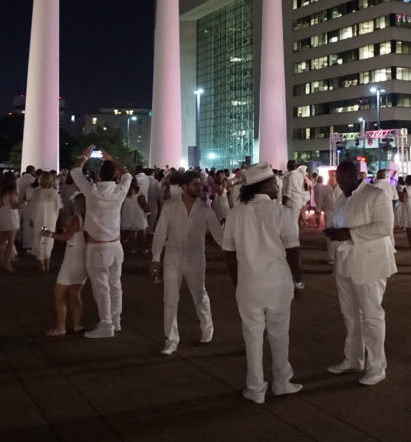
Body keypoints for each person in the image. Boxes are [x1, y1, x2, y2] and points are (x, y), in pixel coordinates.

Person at [222, 161, 304, 404]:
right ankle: (281, 382)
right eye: (274, 183)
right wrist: (298, 282)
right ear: (266, 186)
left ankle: (255, 388)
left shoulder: (236, 213)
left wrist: (237, 283)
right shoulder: (280, 213)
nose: (278, 187)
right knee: (279, 334)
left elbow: (228, 252)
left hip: (248, 285)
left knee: (253, 337)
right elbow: (293, 252)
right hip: (278, 285)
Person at [324, 160, 397, 386]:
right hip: (345, 263)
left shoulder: (376, 194)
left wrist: (349, 234)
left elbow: (385, 227)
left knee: (372, 316)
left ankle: (377, 367)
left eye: (344, 180)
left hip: (369, 264)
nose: (341, 185)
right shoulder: (342, 197)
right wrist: (335, 230)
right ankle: (354, 359)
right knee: (350, 315)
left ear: (357, 175)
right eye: (339, 180)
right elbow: (340, 222)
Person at [151, 170, 223, 355]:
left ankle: (207, 330)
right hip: (173, 259)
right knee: (170, 300)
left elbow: (219, 235)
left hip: (196, 259)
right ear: (184, 187)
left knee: (200, 296)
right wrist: (155, 258)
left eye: (200, 184)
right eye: (195, 185)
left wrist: (235, 249)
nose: (199, 187)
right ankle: (171, 340)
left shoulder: (205, 209)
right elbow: (160, 233)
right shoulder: (170, 206)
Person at [70, 146, 132, 339]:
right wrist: (112, 159)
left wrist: (85, 156)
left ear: (97, 175)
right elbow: (128, 174)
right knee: (115, 284)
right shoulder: (120, 190)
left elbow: (74, 172)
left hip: (97, 246)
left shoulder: (92, 191)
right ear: (114, 176)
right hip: (116, 245)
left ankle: (106, 324)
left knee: (101, 288)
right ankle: (116, 320)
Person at [41, 193, 89, 336]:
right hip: (84, 257)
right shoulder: (92, 218)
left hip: (72, 257)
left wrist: (48, 234)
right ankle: (77, 325)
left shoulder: (77, 218)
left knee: (59, 294)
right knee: (76, 294)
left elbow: (66, 237)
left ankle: (60, 327)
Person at [28, 172, 63, 271]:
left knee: (39, 239)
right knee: (48, 239)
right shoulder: (54, 192)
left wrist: (32, 218)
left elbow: (32, 207)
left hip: (39, 219)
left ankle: (41, 262)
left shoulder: (36, 192)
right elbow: (58, 207)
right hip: (50, 219)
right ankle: (47, 262)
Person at [0, 172, 21, 272]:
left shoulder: (0, 191)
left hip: (3, 214)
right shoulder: (12, 191)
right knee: (10, 242)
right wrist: (24, 203)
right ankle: (7, 263)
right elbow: (14, 205)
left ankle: (0, 261)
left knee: (2, 240)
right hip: (11, 215)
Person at [120, 177, 149, 254]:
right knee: (141, 231)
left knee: (131, 232)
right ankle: (143, 248)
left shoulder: (125, 191)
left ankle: (132, 248)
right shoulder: (139, 190)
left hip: (128, 213)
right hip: (138, 212)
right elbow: (143, 202)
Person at [281, 160, 307, 227]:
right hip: (298, 202)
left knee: (291, 223)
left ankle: (293, 237)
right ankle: (295, 236)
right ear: (295, 167)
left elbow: (287, 193)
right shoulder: (300, 175)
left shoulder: (289, 176)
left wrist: (282, 204)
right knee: (295, 222)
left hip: (291, 203)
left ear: (287, 167)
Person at [397, 175, 411, 250]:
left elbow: (403, 199)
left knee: (409, 229)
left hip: (409, 209)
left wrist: (399, 194)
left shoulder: (406, 189)